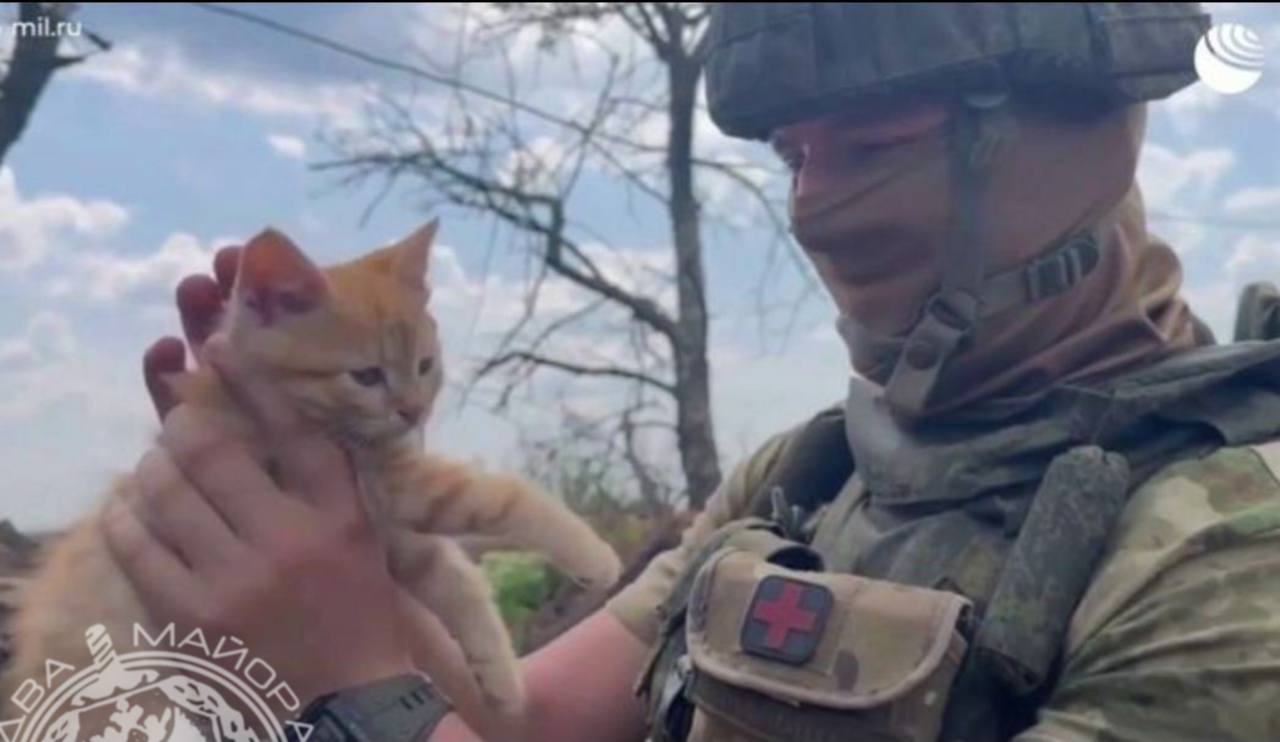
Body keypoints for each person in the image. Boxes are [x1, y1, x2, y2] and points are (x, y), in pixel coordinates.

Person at [103, 3, 1280, 741]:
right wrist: (330, 565)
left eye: (872, 147)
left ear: (1060, 153)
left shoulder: (1225, 551)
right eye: (793, 158)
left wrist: (363, 690)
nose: (814, 206)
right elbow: (532, 719)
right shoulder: (817, 476)